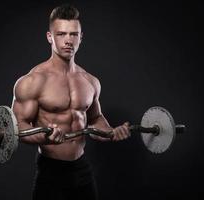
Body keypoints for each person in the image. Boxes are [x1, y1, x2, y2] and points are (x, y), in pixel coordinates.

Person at [11, 4, 131, 200]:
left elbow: (95, 118)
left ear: (81, 37)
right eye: (61, 34)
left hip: (82, 168)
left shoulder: (90, 81)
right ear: (50, 37)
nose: (68, 40)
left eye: (74, 34)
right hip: (51, 171)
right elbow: (18, 127)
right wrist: (45, 137)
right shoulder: (32, 81)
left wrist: (110, 132)